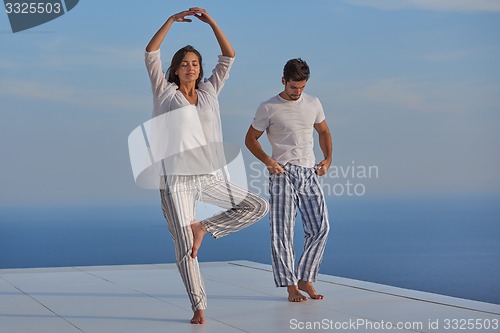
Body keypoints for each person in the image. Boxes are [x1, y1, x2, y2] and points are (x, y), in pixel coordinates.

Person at [145, 8, 269, 324]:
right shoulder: (165, 93)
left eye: (195, 64)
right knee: (185, 247)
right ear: (174, 70)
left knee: (257, 207)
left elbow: (228, 56)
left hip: (210, 177)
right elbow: (151, 53)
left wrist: (212, 23)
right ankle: (199, 306)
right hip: (176, 181)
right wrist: (171, 21)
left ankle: (206, 227)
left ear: (200, 70)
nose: (190, 68)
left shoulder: (210, 91)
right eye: (184, 64)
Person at [245, 58, 332, 303]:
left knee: (321, 227)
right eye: (293, 87)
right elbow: (251, 138)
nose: (297, 92)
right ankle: (291, 285)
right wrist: (268, 161)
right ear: (284, 81)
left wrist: (328, 159)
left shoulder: (313, 103)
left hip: (309, 172)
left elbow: (324, 131)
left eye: (302, 87)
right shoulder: (268, 107)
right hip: (282, 172)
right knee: (282, 232)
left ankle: (305, 277)